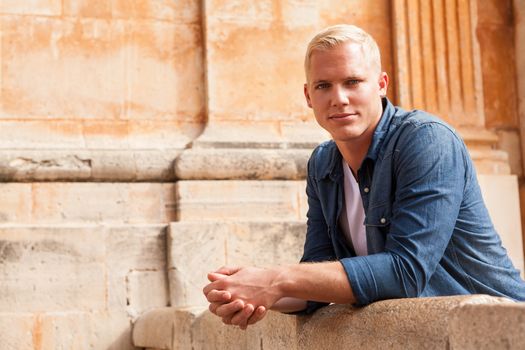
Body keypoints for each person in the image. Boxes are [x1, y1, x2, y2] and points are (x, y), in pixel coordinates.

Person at [203, 24, 525, 330]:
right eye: (323, 85)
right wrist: (247, 291)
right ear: (308, 96)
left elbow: (405, 272)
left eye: (353, 82)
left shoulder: (426, 141)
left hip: (495, 329)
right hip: (415, 333)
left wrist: (275, 279)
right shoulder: (323, 164)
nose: (338, 98)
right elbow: (316, 278)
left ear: (382, 85)